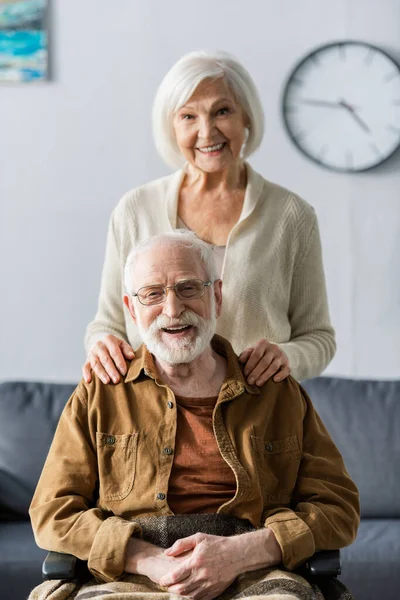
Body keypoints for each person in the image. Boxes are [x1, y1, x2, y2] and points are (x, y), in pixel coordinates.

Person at [30, 232, 359, 600]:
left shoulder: (275, 391)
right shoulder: (100, 393)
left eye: (188, 288)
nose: (172, 309)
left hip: (257, 574)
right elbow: (53, 512)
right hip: (130, 574)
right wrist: (149, 558)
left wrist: (242, 553)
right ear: (131, 307)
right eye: (153, 294)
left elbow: (339, 507)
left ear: (215, 296)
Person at [83, 50, 336, 388]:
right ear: (171, 127)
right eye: (188, 116)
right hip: (154, 421)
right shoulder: (135, 209)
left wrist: (287, 357)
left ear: (246, 117)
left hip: (257, 420)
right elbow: (107, 324)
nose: (207, 132)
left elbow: (318, 338)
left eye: (222, 111)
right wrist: (101, 345)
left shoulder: (291, 216)